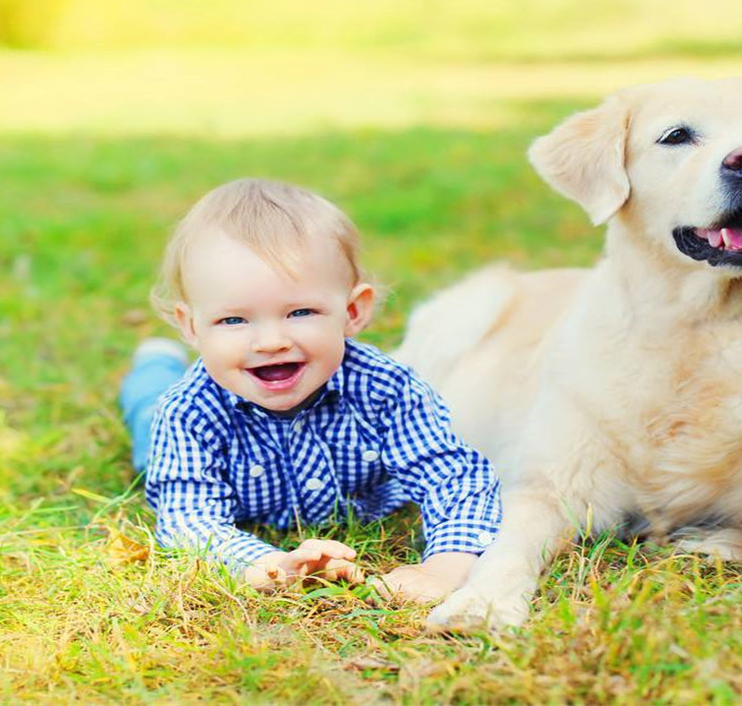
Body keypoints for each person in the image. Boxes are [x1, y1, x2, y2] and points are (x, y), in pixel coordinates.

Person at [120, 178, 501, 602]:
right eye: (233, 320)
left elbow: (454, 477)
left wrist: (445, 566)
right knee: (148, 409)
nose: (270, 342)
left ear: (352, 312)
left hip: (358, 496)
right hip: (170, 427)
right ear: (192, 326)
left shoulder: (386, 389)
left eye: (300, 312)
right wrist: (269, 566)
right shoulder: (188, 412)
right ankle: (155, 362)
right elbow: (188, 519)